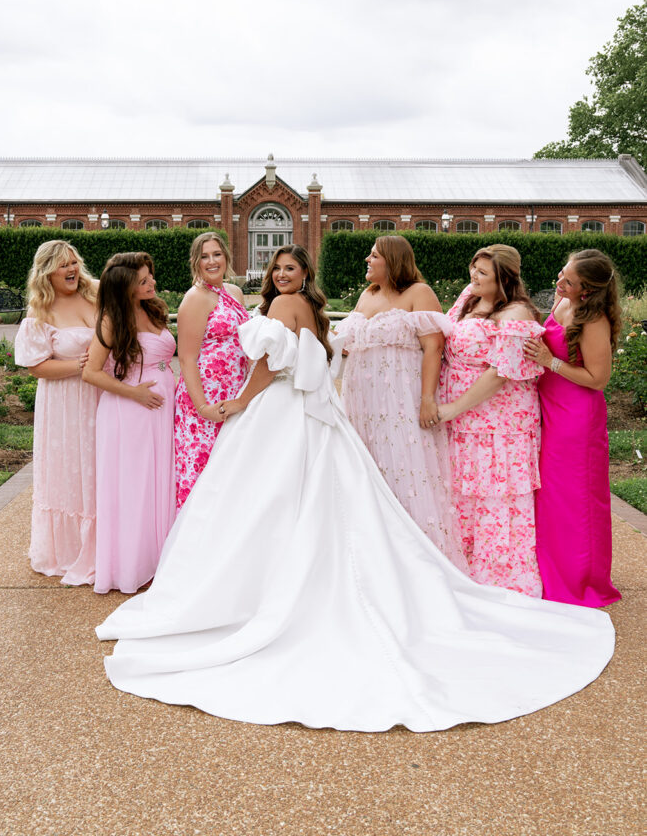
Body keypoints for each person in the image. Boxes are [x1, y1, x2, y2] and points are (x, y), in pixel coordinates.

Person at [95, 245, 613, 734]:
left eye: (290, 270)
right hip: (309, 412)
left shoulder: (286, 308)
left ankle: (254, 592)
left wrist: (238, 404)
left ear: (303, 277)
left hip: (279, 411)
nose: (281, 276)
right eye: (276, 269)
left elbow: (268, 367)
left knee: (261, 503)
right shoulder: (302, 308)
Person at [334, 236, 464, 567]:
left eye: (374, 255)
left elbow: (434, 349)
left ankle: (416, 560)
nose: (367, 259)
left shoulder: (418, 293)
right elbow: (350, 345)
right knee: (369, 469)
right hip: (362, 401)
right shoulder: (367, 295)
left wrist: (426, 400)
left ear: (392, 260)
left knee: (405, 468)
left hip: (400, 399)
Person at [437, 245, 545, 597]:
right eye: (474, 269)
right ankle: (462, 568)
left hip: (500, 426)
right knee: (464, 494)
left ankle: (498, 578)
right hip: (465, 424)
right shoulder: (470, 297)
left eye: (483, 273)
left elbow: (501, 373)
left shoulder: (517, 314)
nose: (474, 277)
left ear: (505, 279)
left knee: (496, 498)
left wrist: (453, 408)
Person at [524, 249, 622, 607]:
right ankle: (553, 571)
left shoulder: (594, 319)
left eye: (568, 280)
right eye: (561, 273)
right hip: (548, 408)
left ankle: (582, 579)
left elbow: (599, 379)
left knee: (576, 498)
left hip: (576, 418)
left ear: (587, 290)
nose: (559, 282)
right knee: (549, 495)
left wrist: (550, 362)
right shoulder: (560, 301)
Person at [83, 252, 176, 594]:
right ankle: (131, 565)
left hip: (161, 407)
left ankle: (159, 559)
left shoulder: (152, 308)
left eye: (150, 276)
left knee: (160, 481)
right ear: (126, 287)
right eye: (143, 280)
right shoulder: (111, 319)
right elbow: (90, 372)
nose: (151, 282)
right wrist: (133, 393)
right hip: (129, 412)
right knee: (136, 487)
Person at [14, 239, 98, 585]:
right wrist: (80, 365)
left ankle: (102, 545)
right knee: (68, 469)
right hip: (63, 405)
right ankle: (68, 550)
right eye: (63, 265)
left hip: (100, 397)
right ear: (47, 271)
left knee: (97, 467)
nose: (72, 270)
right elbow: (36, 367)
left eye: (74, 263)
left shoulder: (95, 294)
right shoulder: (40, 310)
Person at [174, 232, 249, 511]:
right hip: (204, 398)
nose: (212, 261)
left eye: (216, 254)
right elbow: (186, 358)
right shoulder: (195, 298)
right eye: (204, 256)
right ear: (196, 262)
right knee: (204, 472)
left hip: (234, 392)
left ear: (226, 256)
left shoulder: (235, 292)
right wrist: (203, 407)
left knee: (231, 470)